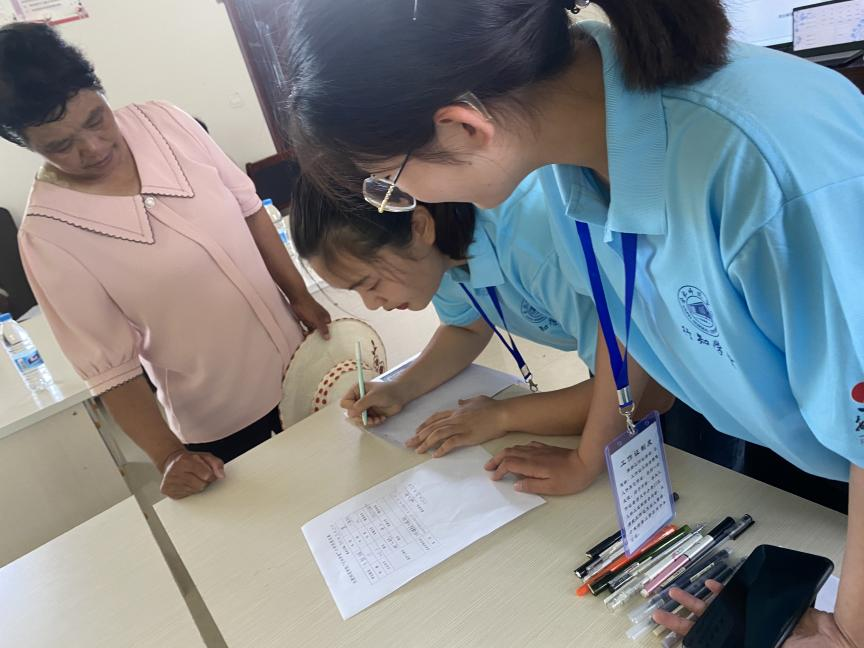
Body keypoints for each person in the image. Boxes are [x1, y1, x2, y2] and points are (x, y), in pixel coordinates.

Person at [275, 0, 864, 643]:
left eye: (387, 183)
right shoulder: (568, 165)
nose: (403, 202)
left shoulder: (757, 164)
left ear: (463, 129)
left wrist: (847, 630)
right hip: (801, 449)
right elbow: (637, 334)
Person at [0, 23, 332, 500]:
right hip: (225, 422)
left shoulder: (164, 124)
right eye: (60, 145)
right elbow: (112, 370)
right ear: (24, 144)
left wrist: (299, 295)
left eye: (96, 119)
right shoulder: (48, 236)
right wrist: (169, 456)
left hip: (308, 367)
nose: (94, 148)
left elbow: (249, 211)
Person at [290, 171, 675, 458]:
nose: (373, 304)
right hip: (632, 363)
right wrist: (401, 388)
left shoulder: (535, 244)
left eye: (371, 283)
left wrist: (503, 416)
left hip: (681, 362)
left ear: (419, 226)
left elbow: (646, 393)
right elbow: (468, 328)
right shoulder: (441, 249)